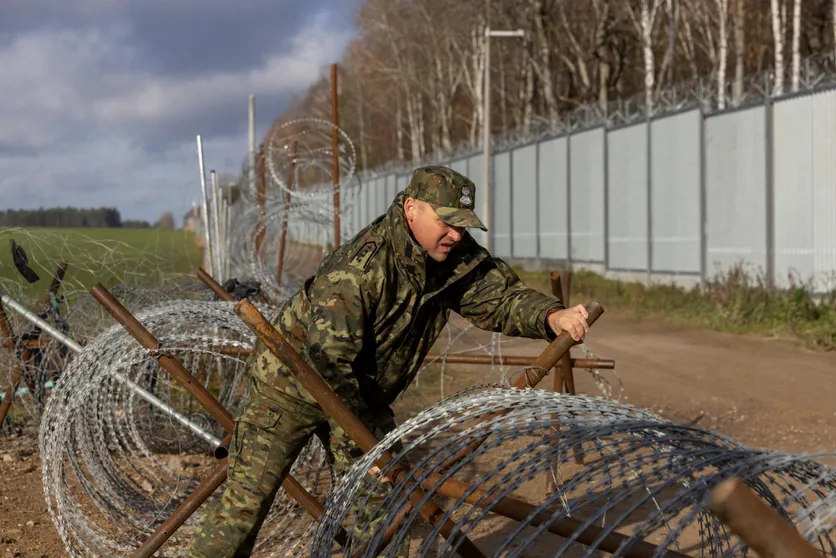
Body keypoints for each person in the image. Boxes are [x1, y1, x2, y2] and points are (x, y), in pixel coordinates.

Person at [188, 165, 590, 557]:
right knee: (244, 507)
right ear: (411, 208)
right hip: (292, 386)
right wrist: (369, 445)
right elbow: (328, 365)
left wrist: (550, 316)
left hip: (361, 392)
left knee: (383, 509)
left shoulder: (454, 256)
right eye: (446, 221)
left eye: (462, 224)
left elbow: (499, 298)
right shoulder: (359, 270)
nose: (455, 233)